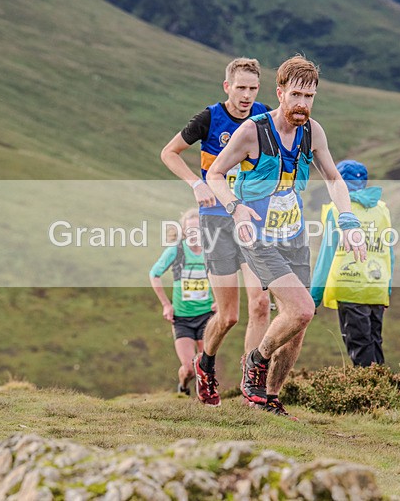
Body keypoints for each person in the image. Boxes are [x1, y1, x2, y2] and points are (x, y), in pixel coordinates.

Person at [206, 55, 367, 417]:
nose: (302, 104)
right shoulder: (253, 131)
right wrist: (235, 207)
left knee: (299, 324)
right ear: (279, 93)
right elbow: (215, 174)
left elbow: (334, 179)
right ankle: (256, 360)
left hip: (292, 236)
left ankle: (270, 398)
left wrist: (350, 223)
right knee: (301, 308)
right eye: (296, 95)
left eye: (309, 97)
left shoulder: (313, 132)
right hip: (255, 235)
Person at [160, 58, 272, 407]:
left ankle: (251, 387)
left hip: (253, 219)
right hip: (216, 220)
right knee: (228, 316)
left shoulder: (265, 117)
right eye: (241, 88)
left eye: (253, 89)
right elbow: (169, 152)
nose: (247, 95)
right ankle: (205, 364)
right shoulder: (209, 118)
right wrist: (196, 183)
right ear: (227, 87)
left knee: (261, 304)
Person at [311, 160, 394, 367]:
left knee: (359, 346)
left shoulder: (337, 210)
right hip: (376, 287)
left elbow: (326, 255)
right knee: (374, 343)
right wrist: (387, 290)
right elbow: (388, 252)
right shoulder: (382, 209)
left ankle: (368, 393)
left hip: (349, 286)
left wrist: (314, 296)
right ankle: (381, 390)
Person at [149, 209, 215, 396]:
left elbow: (224, 276)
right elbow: (154, 274)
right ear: (185, 231)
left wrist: (219, 301)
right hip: (182, 318)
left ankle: (206, 398)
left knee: (205, 365)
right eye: (190, 230)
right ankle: (184, 387)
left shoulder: (211, 251)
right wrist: (166, 304)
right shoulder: (176, 251)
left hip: (206, 316)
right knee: (189, 369)